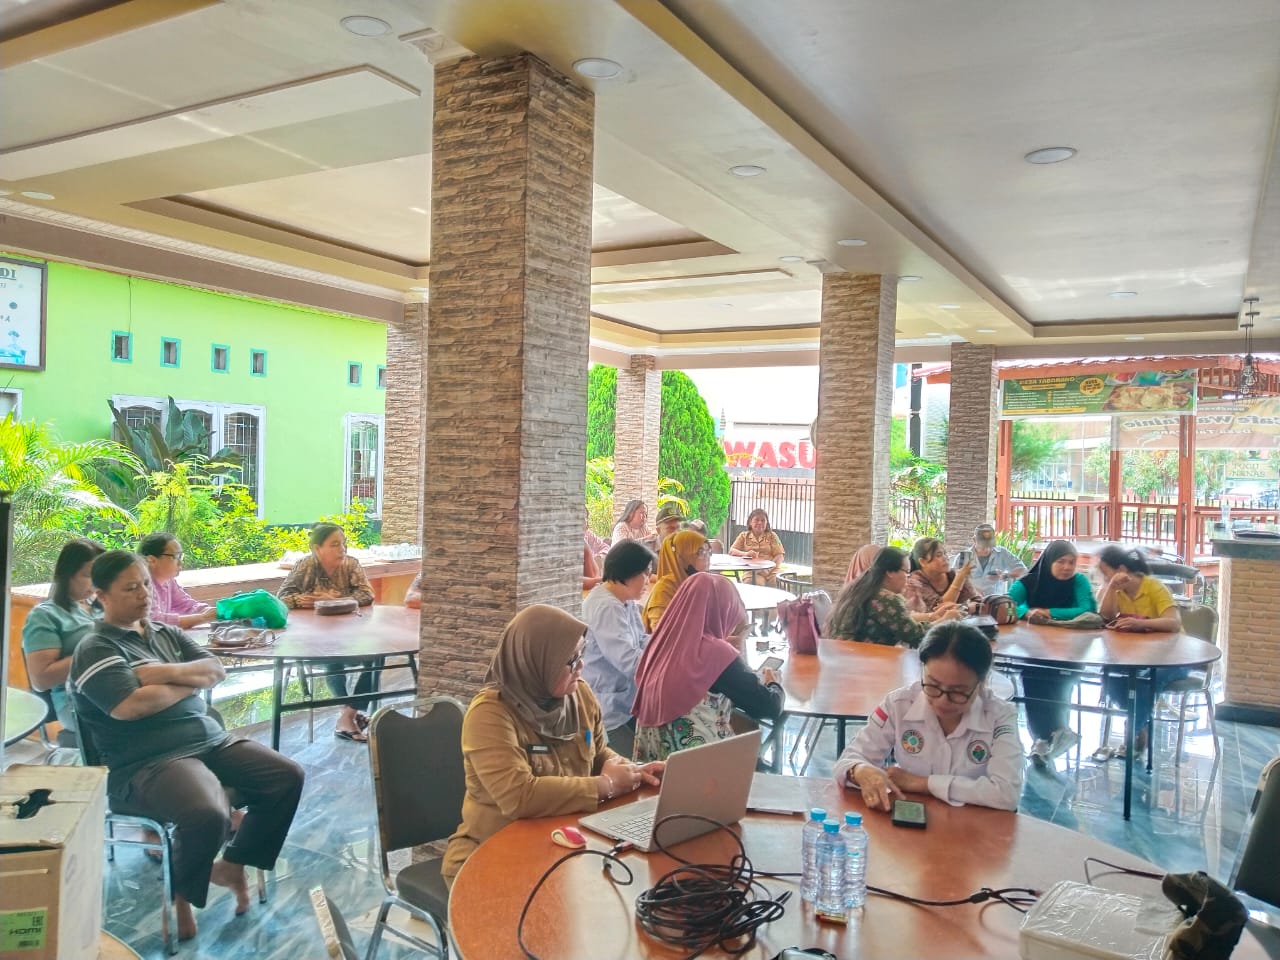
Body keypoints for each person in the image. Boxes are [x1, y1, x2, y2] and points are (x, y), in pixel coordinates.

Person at [69, 550, 304, 941]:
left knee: (286, 776)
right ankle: (180, 894)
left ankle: (233, 864)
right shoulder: (96, 647)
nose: (144, 594)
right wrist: (189, 682)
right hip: (147, 761)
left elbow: (216, 669)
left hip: (208, 740)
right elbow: (130, 706)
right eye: (130, 588)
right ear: (102, 596)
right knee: (207, 812)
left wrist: (157, 673)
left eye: (146, 584)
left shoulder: (165, 634)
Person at [442, 604, 665, 887]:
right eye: (570, 660)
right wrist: (606, 785)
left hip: (563, 841)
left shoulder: (579, 694)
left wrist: (632, 771)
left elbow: (597, 753)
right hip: (493, 851)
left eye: (582, 654)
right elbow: (519, 796)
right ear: (538, 662)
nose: (581, 667)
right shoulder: (490, 714)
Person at [834, 621, 1023, 811]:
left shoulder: (999, 716)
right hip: (912, 821)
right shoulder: (899, 704)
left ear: (982, 684)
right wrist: (859, 770)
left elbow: (1006, 794)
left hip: (976, 825)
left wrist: (922, 783)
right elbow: (850, 759)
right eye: (932, 685)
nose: (942, 701)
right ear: (922, 670)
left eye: (958, 692)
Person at [632, 573, 784, 762]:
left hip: (654, 761)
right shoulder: (715, 653)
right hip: (701, 764)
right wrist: (774, 683)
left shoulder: (661, 643)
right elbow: (768, 707)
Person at [277, 523, 376, 742]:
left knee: (377, 656)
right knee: (332, 655)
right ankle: (349, 716)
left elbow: (367, 594)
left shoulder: (351, 564)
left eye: (344, 544)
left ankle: (348, 714)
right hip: (310, 640)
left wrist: (336, 600)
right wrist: (307, 600)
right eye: (335, 544)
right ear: (317, 548)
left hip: (349, 636)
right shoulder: (305, 565)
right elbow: (282, 597)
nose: (342, 549)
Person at [1007, 540, 1096, 765]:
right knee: (1032, 678)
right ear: (1048, 562)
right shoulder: (1029, 582)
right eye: (1061, 562)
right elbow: (1008, 603)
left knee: (1059, 678)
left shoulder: (1078, 581)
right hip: (1034, 649)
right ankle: (1045, 737)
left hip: (1070, 650)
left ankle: (1053, 734)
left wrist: (1048, 611)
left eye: (1072, 562)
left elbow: (1086, 609)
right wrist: (1027, 613)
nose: (1067, 567)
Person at [1095, 545, 1186, 758]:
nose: (1104, 579)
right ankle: (1140, 725)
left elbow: (1173, 622)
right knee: (1110, 677)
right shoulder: (1118, 591)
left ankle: (1132, 733)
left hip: (1174, 657)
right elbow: (1105, 617)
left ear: (1121, 569)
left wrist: (1141, 624)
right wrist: (1111, 587)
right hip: (1137, 656)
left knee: (1146, 681)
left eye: (1106, 574)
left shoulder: (1154, 587)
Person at [21, 538, 105, 733]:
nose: (96, 583)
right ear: (67, 575)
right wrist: (99, 653)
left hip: (117, 687)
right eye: (88, 575)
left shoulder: (101, 609)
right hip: (78, 702)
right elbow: (41, 680)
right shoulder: (45, 615)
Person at [581, 541, 655, 756]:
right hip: (607, 710)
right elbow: (629, 661)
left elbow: (639, 640)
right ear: (628, 572)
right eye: (645, 572)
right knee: (637, 762)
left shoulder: (624, 600)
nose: (649, 578)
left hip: (625, 701)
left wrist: (666, 644)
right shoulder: (606, 606)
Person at [825, 546, 959, 646]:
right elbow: (917, 637)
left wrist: (933, 616)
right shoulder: (886, 598)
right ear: (889, 572)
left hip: (845, 658)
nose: (908, 578)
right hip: (865, 663)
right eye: (906, 572)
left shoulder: (861, 589)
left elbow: (901, 621)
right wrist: (945, 620)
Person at [138, 533, 217, 629]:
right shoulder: (141, 586)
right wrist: (203, 617)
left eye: (181, 556)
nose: (180, 562)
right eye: (176, 556)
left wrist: (212, 611)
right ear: (152, 560)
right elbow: (154, 621)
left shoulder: (169, 581)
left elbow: (186, 605)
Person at [641, 529, 709, 632]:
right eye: (701, 552)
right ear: (683, 557)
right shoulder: (663, 590)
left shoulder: (699, 584)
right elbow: (661, 634)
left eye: (708, 552)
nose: (707, 557)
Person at [904, 537, 981, 615]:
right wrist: (960, 579)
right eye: (938, 555)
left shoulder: (953, 574)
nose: (945, 558)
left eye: (945, 553)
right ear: (923, 562)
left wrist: (966, 607)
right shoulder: (915, 581)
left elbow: (978, 600)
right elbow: (939, 612)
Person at [951, 524, 1026, 595]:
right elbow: (952, 581)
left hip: (995, 600)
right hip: (971, 600)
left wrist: (1005, 575)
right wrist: (972, 591)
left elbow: (1024, 571)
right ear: (974, 540)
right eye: (983, 546)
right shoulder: (964, 557)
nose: (987, 549)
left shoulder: (1002, 553)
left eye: (990, 545)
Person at [728, 508, 785, 585]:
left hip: (772, 571)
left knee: (779, 583)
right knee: (753, 583)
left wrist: (767, 569)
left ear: (767, 523)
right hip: (752, 571)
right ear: (750, 522)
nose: (760, 523)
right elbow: (732, 551)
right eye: (756, 520)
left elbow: (780, 555)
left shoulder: (772, 536)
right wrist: (746, 554)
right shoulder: (744, 536)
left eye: (763, 520)